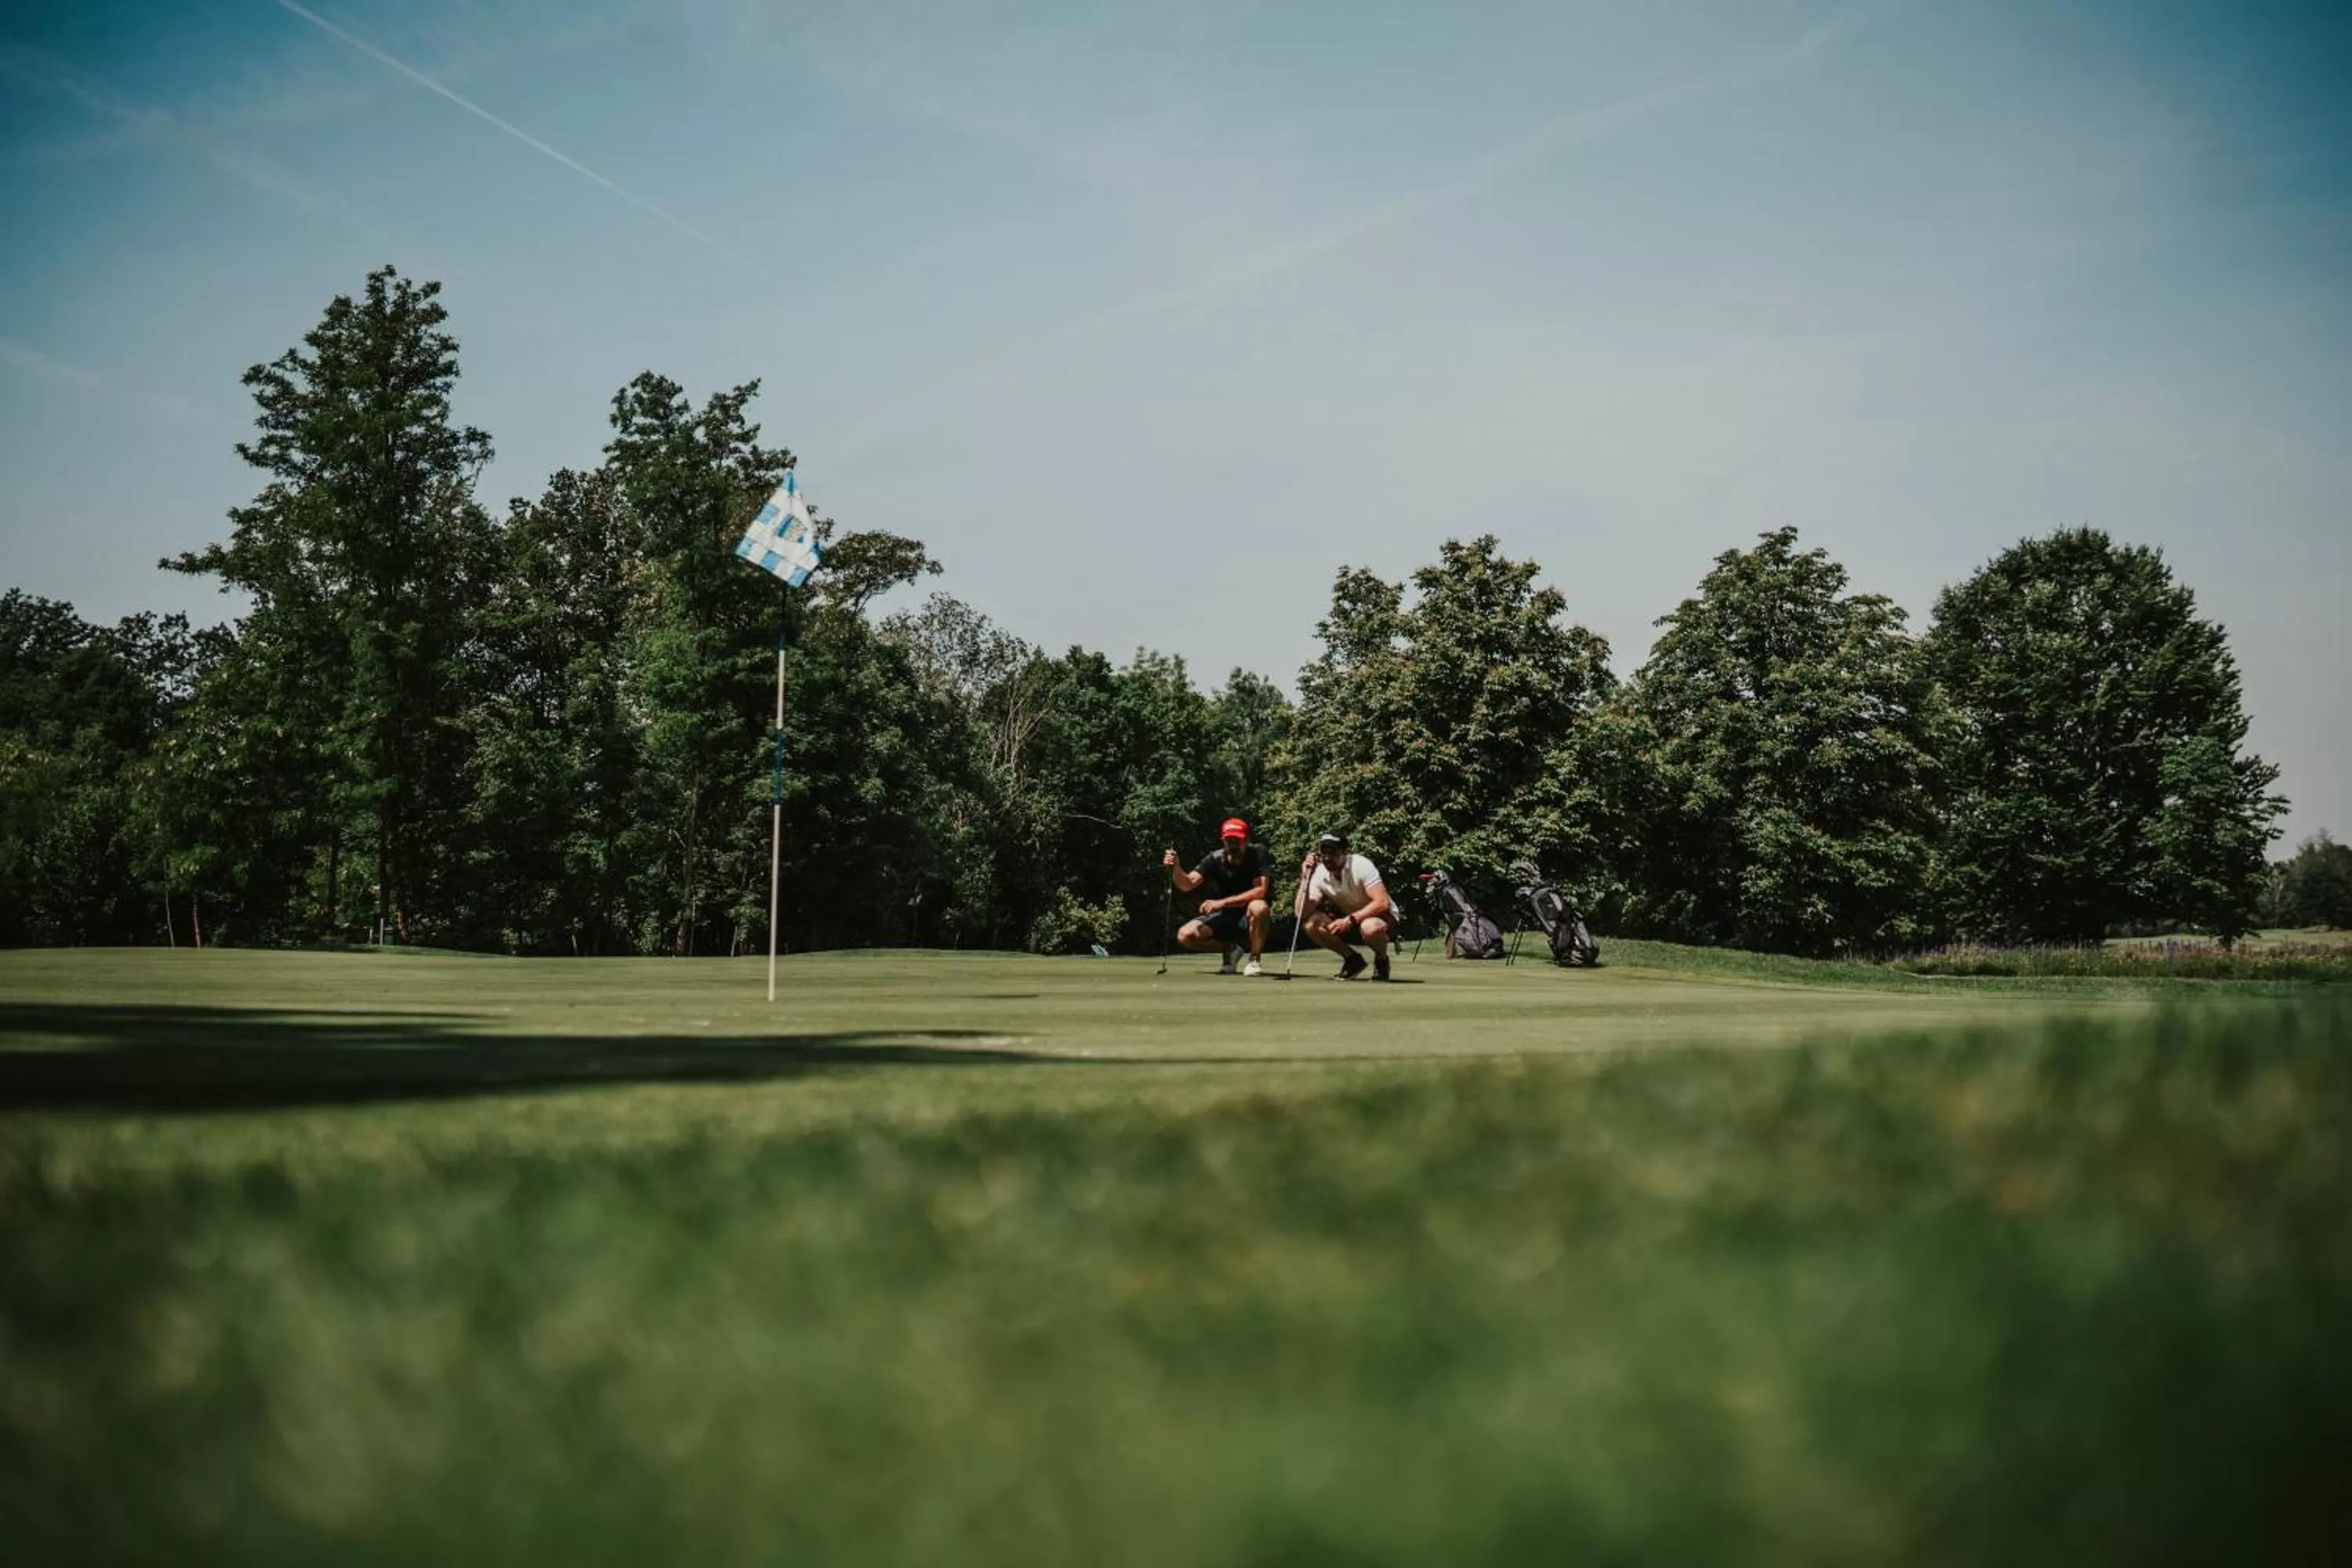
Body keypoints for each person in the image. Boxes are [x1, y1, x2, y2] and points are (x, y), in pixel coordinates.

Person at [1163, 817, 1273, 975]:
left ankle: (1255, 960)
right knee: (1185, 935)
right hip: (1226, 916)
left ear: (1246, 840)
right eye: (1229, 841)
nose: (1233, 845)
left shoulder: (1257, 853)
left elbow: (1260, 891)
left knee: (1259, 906)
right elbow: (1186, 884)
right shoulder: (1214, 859)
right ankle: (1230, 949)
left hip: (1249, 915)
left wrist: (1221, 903)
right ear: (1223, 840)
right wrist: (1176, 868)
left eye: (1237, 840)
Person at [1301, 829, 1396, 980]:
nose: (1327, 858)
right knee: (1311, 924)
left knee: (1370, 927)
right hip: (1350, 921)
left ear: (1345, 852)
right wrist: (1305, 878)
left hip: (1381, 918)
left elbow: (1382, 902)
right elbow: (1302, 912)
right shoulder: (1319, 872)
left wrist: (1350, 920)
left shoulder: (1361, 865)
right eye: (1323, 852)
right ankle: (1353, 960)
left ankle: (1381, 960)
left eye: (1332, 853)